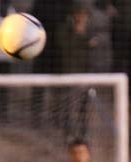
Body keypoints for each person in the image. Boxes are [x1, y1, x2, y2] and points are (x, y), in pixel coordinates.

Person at [57, 5, 100, 141]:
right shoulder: (64, 29)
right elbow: (65, 46)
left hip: (86, 73)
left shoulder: (91, 30)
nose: (82, 17)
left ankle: (84, 132)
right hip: (69, 72)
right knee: (69, 104)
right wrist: (83, 40)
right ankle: (68, 132)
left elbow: (93, 48)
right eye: (79, 14)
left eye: (84, 15)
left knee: (84, 105)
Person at [30, 0, 75, 127]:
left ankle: (60, 117)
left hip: (59, 49)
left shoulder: (67, 4)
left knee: (60, 85)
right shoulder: (39, 4)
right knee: (39, 84)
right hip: (41, 47)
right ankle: (36, 117)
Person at [96, 0, 131, 99]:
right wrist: (108, 7)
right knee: (118, 62)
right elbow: (99, 3)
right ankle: (117, 93)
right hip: (119, 30)